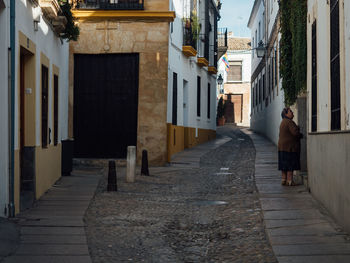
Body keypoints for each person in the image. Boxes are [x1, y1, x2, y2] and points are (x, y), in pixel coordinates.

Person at [278, 108, 303, 186]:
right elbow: (295, 133)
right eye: (290, 111)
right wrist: (300, 134)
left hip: (282, 147)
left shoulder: (283, 122)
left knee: (284, 165)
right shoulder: (289, 122)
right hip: (289, 147)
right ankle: (290, 181)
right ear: (286, 114)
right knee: (290, 164)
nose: (292, 113)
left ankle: (284, 179)